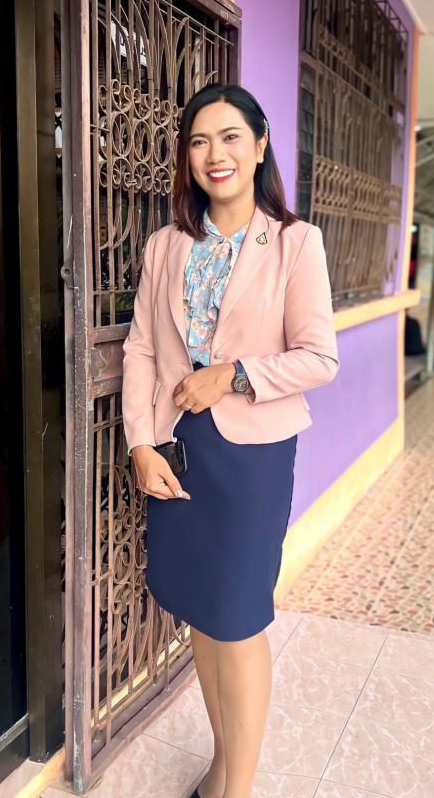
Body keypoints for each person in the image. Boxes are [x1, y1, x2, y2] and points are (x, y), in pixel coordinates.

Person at [122, 83, 339, 798]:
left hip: (252, 459)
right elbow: (142, 350)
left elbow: (319, 358)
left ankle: (236, 789)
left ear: (260, 143)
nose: (215, 154)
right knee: (204, 613)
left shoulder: (296, 243)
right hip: (177, 449)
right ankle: (223, 765)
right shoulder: (166, 246)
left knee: (239, 620)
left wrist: (235, 374)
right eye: (199, 141)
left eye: (230, 137)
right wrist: (141, 443)